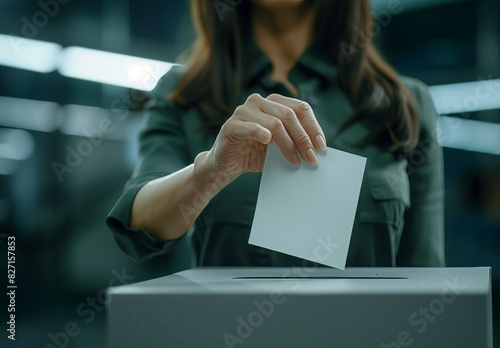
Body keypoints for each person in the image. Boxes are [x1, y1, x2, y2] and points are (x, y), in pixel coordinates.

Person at [106, 0, 445, 267]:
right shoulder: (185, 93)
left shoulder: (405, 104)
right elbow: (136, 224)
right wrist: (211, 171)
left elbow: (426, 273)